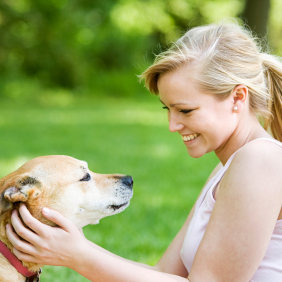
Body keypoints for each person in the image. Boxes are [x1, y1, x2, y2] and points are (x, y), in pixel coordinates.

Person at [5, 20, 282, 282]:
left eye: (185, 110)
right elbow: (162, 272)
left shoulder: (260, 161)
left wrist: (79, 256)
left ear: (238, 97)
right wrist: (74, 252)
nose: (173, 125)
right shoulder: (230, 166)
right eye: (168, 109)